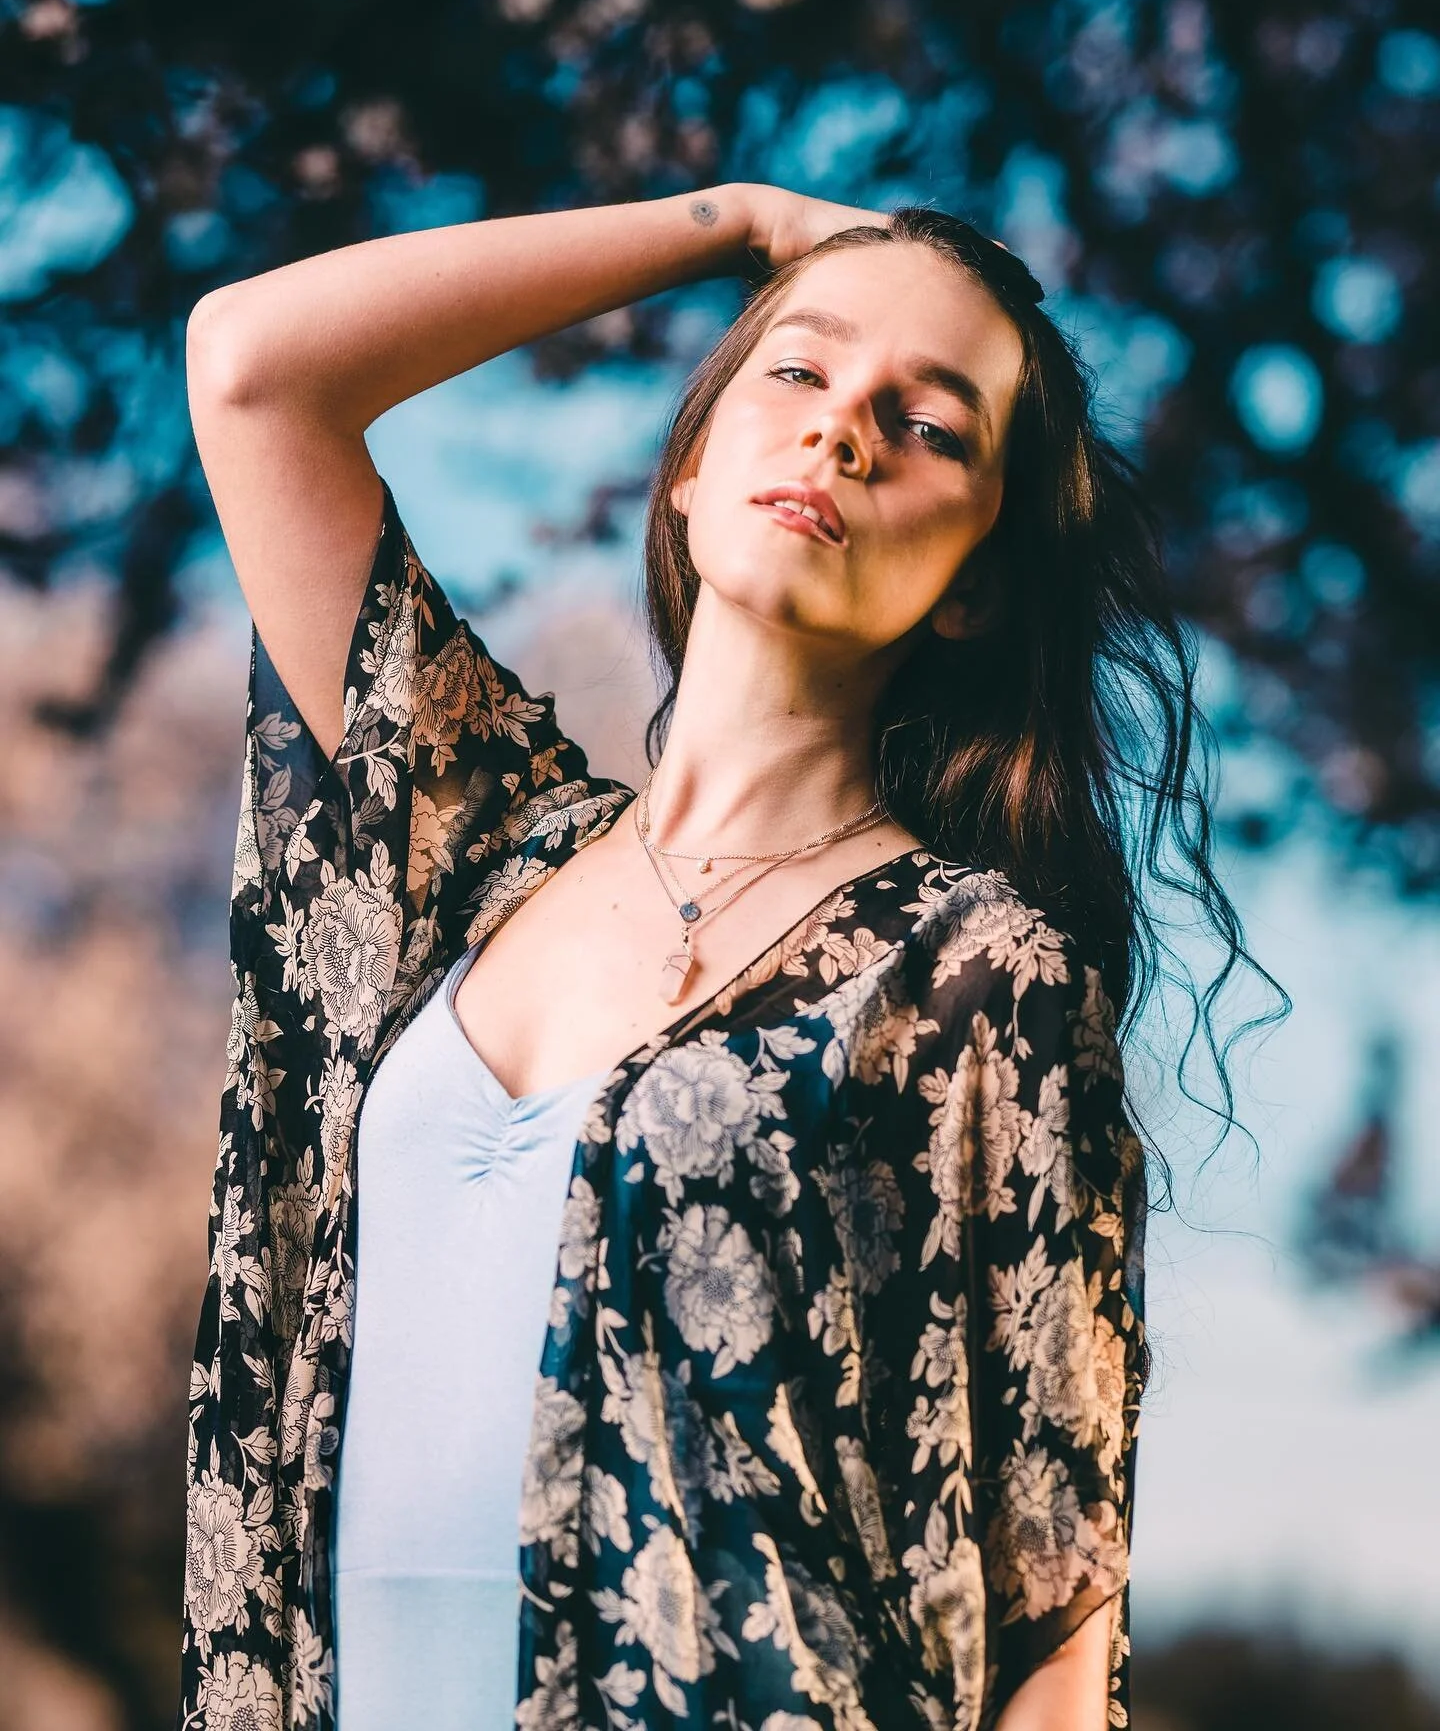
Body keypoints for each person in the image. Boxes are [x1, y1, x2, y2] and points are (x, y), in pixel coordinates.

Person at [178, 182, 1274, 1731]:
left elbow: (1055, 1595)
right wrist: (731, 222)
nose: (845, 432)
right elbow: (252, 365)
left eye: (934, 426)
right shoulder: (475, 848)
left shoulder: (977, 974)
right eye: (802, 372)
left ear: (976, 586)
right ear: (688, 467)